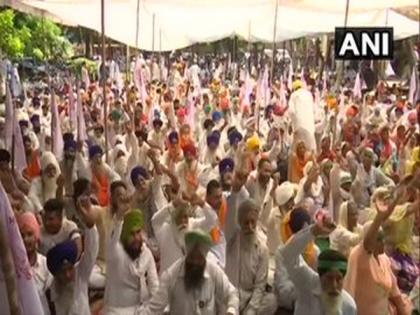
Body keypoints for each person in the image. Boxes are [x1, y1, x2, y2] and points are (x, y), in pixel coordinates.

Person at [344, 189, 413, 315]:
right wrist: (379, 218)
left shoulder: (384, 260)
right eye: (378, 239)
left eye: (383, 238)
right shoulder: (360, 256)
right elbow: (367, 242)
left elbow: (395, 292)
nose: (383, 242)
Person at [140, 229, 239, 315]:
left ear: (205, 257)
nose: (195, 262)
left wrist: (231, 311)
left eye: (199, 258)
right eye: (192, 258)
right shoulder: (171, 275)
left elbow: (232, 293)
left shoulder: (213, 271)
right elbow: (153, 309)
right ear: (186, 254)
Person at [281, 215, 357, 315]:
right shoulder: (307, 285)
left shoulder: (349, 306)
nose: (334, 286)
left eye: (339, 279)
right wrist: (314, 231)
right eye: (329, 278)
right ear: (320, 276)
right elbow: (288, 254)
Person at [45, 192, 99, 315]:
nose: (68, 275)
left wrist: (90, 226)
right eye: (63, 272)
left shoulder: (80, 275)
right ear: (55, 274)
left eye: (70, 269)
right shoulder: (50, 294)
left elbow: (91, 253)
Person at [104, 206, 159, 315]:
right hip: (115, 311)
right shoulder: (116, 251)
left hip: (140, 309)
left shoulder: (145, 253)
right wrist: (119, 217)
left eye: (138, 232)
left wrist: (159, 305)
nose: (137, 238)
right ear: (124, 236)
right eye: (131, 234)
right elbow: (113, 239)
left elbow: (154, 285)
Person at [151, 195, 218, 274]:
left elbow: (212, 220)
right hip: (167, 283)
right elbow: (155, 220)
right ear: (173, 218)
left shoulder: (193, 226)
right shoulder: (165, 230)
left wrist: (202, 203)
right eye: (179, 217)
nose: (183, 221)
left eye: (185, 217)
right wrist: (173, 204)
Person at [225, 198, 269, 314]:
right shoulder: (232, 240)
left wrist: (251, 309)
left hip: (249, 297)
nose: (250, 227)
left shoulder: (262, 249)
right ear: (239, 222)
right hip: (230, 295)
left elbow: (260, 285)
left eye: (252, 222)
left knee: (272, 301)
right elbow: (229, 218)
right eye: (246, 222)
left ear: (257, 222)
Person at [17, 211, 53, 315]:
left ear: (36, 236)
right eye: (21, 236)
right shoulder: (14, 267)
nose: (25, 240)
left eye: (29, 234)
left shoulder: (46, 264)